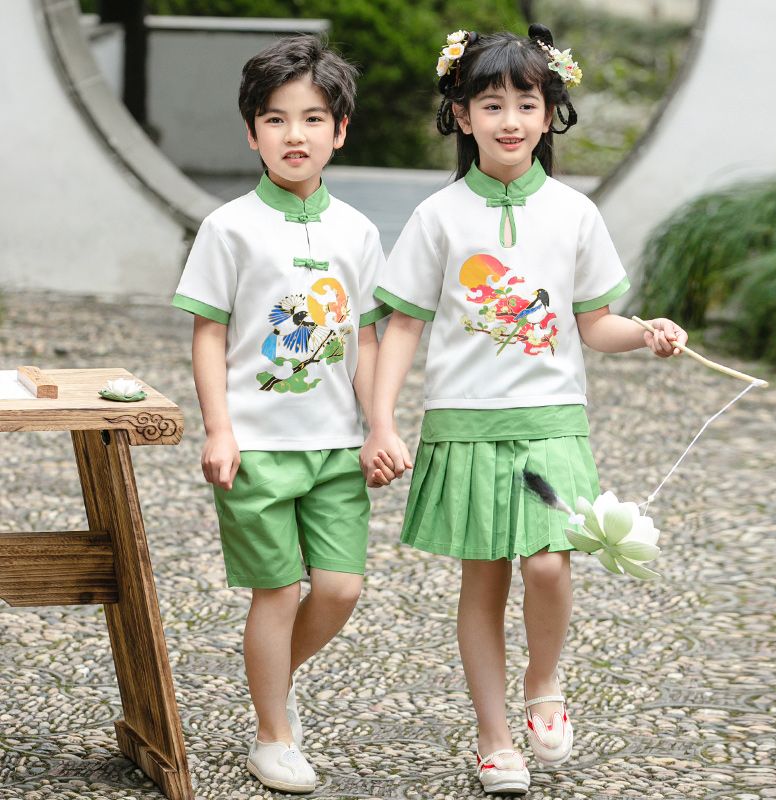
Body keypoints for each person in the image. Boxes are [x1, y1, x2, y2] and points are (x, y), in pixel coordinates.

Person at [361, 24, 687, 795]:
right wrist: (382, 421)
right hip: (465, 423)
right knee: (484, 583)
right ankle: (494, 736)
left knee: (547, 564)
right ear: (461, 114)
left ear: (550, 116)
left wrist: (644, 334)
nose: (509, 119)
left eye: (525, 102)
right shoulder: (439, 216)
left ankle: (545, 684)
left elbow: (595, 323)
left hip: (551, 422)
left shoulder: (575, 213)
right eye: (490, 102)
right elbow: (400, 323)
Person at [172, 35, 390, 794]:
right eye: (275, 119)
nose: (294, 135)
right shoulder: (229, 227)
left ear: (340, 130)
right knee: (278, 590)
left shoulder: (359, 232)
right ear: (251, 131)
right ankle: (274, 732)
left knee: (339, 589)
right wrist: (220, 428)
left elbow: (365, 338)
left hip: (336, 444)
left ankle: (268, 676)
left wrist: (382, 427)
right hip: (257, 446)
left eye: (312, 118)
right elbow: (207, 333)